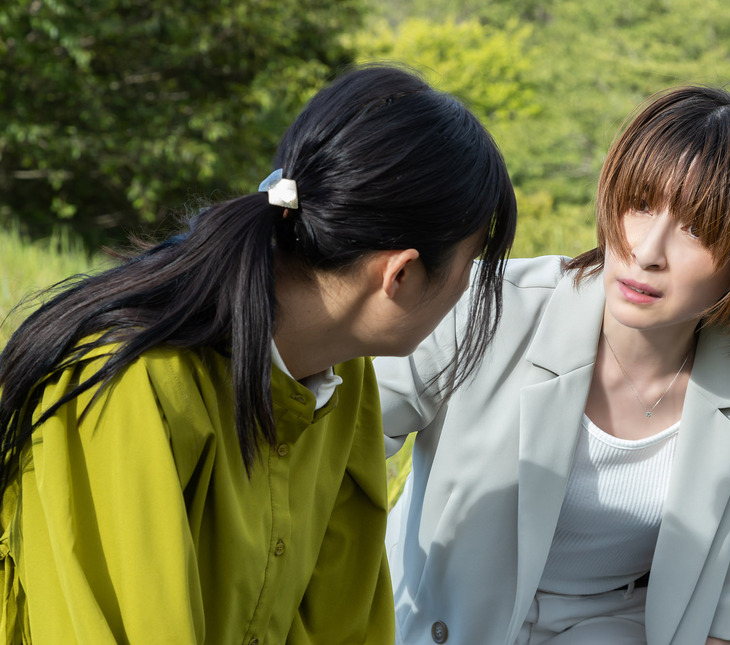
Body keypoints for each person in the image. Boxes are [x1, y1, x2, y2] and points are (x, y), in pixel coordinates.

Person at [0, 65, 516, 644]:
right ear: (399, 274)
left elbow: (343, 625)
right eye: (471, 264)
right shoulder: (128, 382)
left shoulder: (342, 381)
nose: (468, 287)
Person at [377, 85, 730, 645]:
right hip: (435, 617)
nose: (647, 250)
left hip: (611, 628)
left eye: (697, 229)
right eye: (640, 205)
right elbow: (339, 438)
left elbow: (729, 607)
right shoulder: (491, 305)